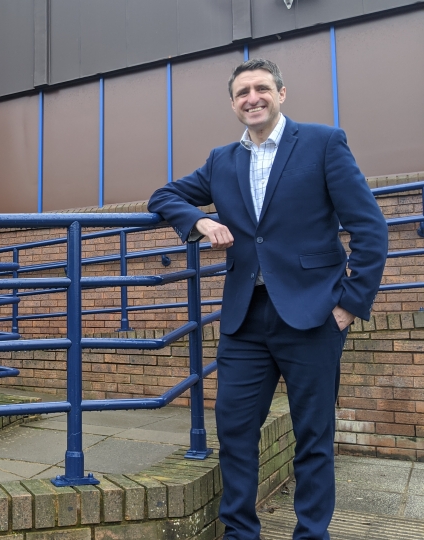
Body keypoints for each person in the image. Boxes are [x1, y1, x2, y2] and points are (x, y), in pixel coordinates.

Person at [148, 59, 388, 540]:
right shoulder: (221, 160)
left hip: (314, 315)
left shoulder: (323, 142)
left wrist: (348, 304)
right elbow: (164, 195)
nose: (252, 98)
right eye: (242, 92)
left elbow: (369, 227)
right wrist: (199, 221)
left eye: (261, 88)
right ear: (233, 103)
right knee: (234, 433)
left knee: (313, 438)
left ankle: (310, 534)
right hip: (244, 321)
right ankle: (240, 533)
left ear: (281, 93)